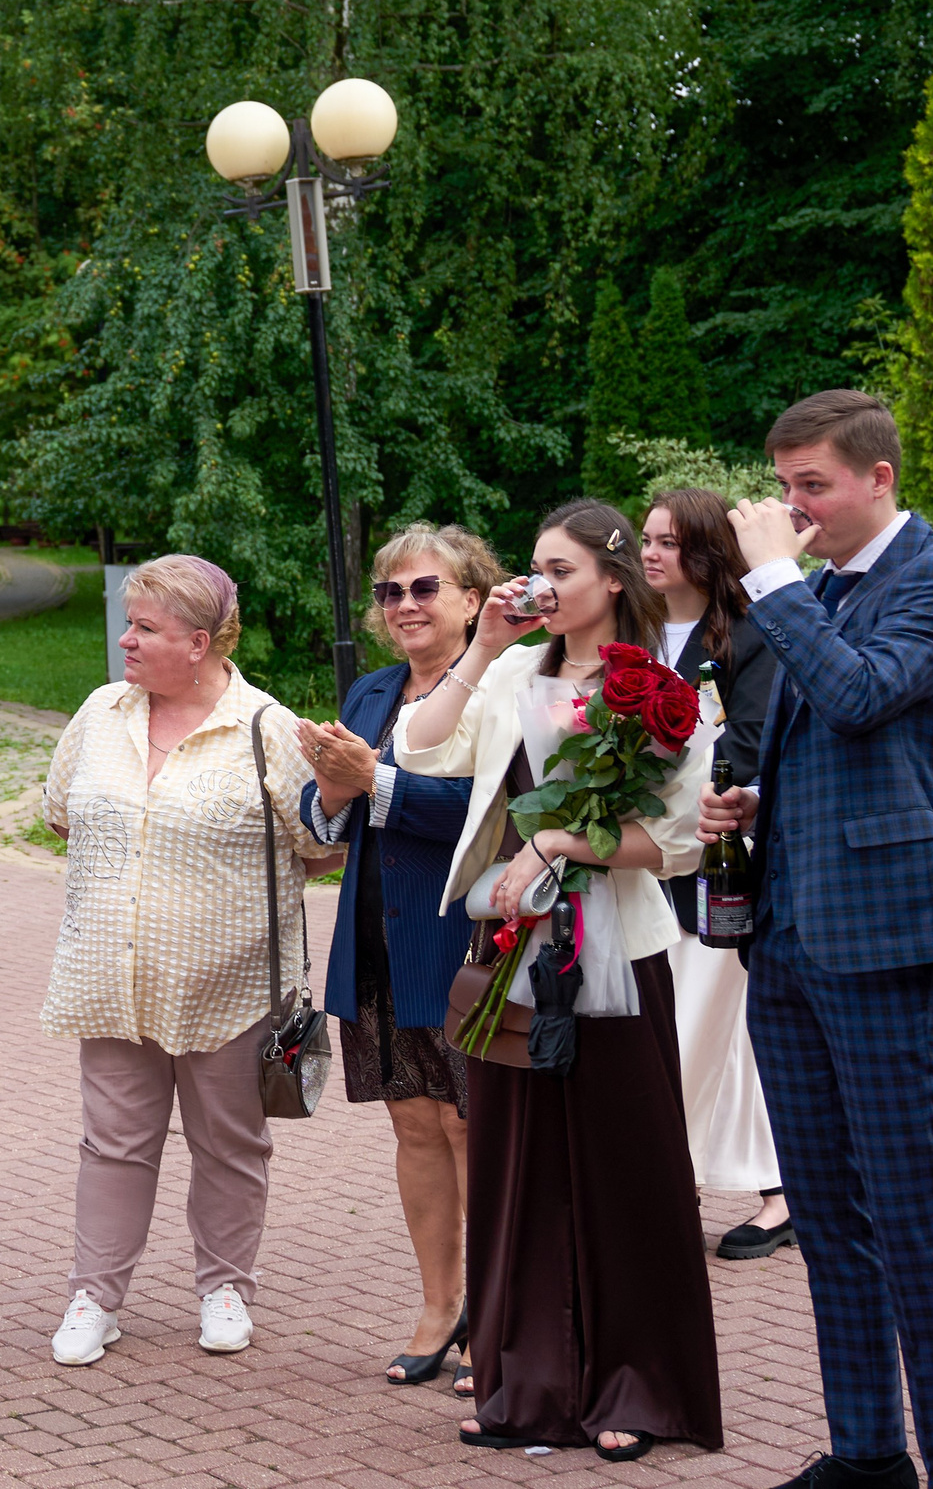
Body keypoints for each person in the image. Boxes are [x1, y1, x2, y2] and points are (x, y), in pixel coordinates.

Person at [698, 390, 933, 1489]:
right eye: (782, 488)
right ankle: (869, 1455)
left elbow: (863, 696)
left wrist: (771, 576)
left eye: (811, 484)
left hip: (886, 938)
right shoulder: (817, 590)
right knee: (826, 1211)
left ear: (878, 476)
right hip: (789, 933)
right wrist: (755, 803)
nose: (792, 507)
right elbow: (831, 744)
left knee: (911, 1217)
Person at [396, 498, 719, 1463]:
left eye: (559, 570)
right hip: (517, 951)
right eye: (532, 568)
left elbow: (673, 842)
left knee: (625, 1171)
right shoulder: (511, 673)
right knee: (518, 1166)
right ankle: (526, 1382)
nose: (539, 585)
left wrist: (558, 840)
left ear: (613, 581)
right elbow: (420, 743)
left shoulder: (662, 690)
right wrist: (485, 639)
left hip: (618, 945)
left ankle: (639, 1384)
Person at [41, 555, 339, 1369]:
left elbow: (318, 847)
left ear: (199, 642)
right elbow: (62, 814)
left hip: (231, 983)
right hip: (113, 978)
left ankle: (226, 1287)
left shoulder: (266, 727)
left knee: (230, 1145)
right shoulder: (102, 711)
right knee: (112, 1145)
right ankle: (95, 1297)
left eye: (144, 628)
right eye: (128, 623)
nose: (124, 640)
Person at [293, 525, 497, 1390]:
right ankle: (438, 1307)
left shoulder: (500, 682)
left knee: (470, 1127)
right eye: (391, 593)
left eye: (425, 588)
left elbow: (487, 810)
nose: (406, 605)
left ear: (472, 599)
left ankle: (498, 1315)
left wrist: (371, 782)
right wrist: (333, 790)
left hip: (461, 935)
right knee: (413, 1124)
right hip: (375, 933)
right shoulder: (372, 689)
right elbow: (324, 818)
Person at [641, 488, 789, 1256]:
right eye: (646, 540)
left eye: (670, 541)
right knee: (717, 1034)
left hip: (718, 847)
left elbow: (753, 742)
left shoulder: (749, 634)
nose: (652, 554)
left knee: (692, 1014)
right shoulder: (626, 630)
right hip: (636, 849)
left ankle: (660, 1181)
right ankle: (778, 1184)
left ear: (707, 552)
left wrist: (678, 782)